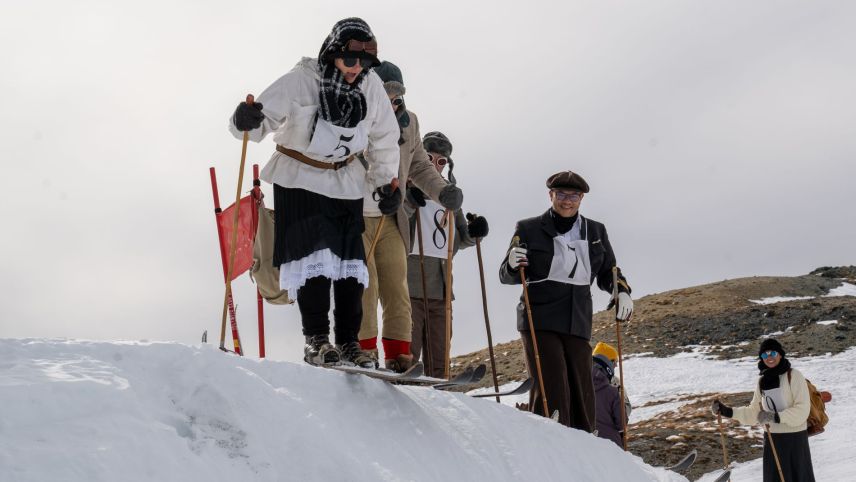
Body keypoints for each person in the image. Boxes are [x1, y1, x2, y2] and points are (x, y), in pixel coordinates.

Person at [228, 18, 399, 368]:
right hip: (300, 176)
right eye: (350, 60)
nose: (356, 68)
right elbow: (259, 121)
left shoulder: (370, 87)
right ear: (333, 53)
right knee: (314, 261)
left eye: (365, 63)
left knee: (351, 266)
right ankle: (317, 339)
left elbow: (385, 135)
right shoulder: (302, 80)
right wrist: (245, 119)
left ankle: (349, 343)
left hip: (345, 179)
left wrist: (385, 182)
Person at [498, 170, 633, 430]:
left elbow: (609, 270)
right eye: (561, 194)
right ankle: (548, 435)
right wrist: (512, 265)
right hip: (540, 317)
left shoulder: (595, 231)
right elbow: (507, 275)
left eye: (573, 196)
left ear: (581, 199)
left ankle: (585, 440)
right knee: (552, 384)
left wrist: (622, 291)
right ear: (551, 195)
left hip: (577, 319)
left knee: (583, 390)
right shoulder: (528, 228)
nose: (567, 201)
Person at [356, 62, 464, 372]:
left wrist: (442, 192)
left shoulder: (409, 123)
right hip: (357, 214)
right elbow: (348, 159)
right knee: (366, 284)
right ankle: (364, 349)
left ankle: (399, 353)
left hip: (392, 218)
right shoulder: (356, 116)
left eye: (397, 98)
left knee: (397, 286)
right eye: (385, 96)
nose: (391, 104)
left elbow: (418, 166)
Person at [405, 131, 489, 377]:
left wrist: (475, 232)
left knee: (440, 354)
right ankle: (403, 386)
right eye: (429, 158)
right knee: (408, 351)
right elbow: (394, 227)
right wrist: (409, 202)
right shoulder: (405, 187)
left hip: (441, 290)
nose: (435, 165)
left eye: (441, 161)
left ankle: (438, 387)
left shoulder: (450, 197)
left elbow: (461, 238)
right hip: (408, 286)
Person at [712, 339, 815, 482]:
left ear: (780, 354)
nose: (769, 357)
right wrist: (727, 411)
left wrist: (774, 417)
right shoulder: (762, 381)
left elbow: (802, 410)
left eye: (773, 353)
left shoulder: (794, 376)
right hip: (772, 440)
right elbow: (754, 412)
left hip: (795, 441)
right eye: (765, 355)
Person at [591, 352, 625, 447]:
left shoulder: (578, 389)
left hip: (586, 445)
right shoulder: (612, 392)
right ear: (607, 371)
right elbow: (621, 424)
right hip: (611, 445)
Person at [592, 341, 632, 419]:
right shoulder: (615, 383)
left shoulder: (581, 377)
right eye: (614, 361)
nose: (616, 365)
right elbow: (624, 414)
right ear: (607, 362)